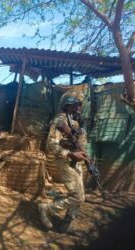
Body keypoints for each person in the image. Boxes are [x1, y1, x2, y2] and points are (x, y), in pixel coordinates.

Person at [38, 94, 87, 232]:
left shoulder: (72, 120)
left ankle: (66, 224)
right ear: (67, 105)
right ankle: (46, 208)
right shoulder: (59, 120)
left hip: (75, 161)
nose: (79, 107)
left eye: (80, 104)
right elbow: (51, 145)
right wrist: (71, 154)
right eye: (77, 104)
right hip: (65, 161)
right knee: (78, 197)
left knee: (80, 195)